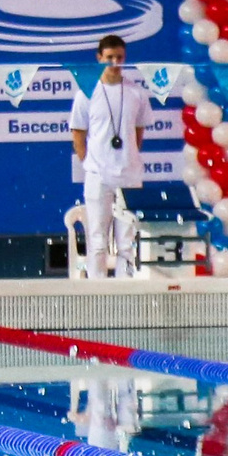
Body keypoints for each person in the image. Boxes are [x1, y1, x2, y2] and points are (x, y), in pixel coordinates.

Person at [68, 34, 149, 278]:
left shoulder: (136, 93)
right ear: (99, 58)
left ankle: (124, 291)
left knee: (127, 242)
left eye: (119, 57)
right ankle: (97, 293)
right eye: (109, 57)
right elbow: (78, 134)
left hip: (129, 175)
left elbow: (138, 132)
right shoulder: (87, 93)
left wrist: (127, 158)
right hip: (98, 175)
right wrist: (90, 164)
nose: (114, 62)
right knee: (97, 240)